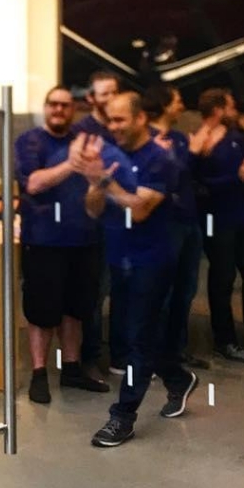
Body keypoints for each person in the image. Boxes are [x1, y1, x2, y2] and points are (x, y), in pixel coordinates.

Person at [72, 92, 197, 449]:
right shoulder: (112, 156)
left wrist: (106, 182)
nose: (114, 128)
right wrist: (96, 182)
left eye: (120, 120)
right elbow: (94, 209)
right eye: (110, 121)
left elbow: (140, 209)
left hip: (152, 260)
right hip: (118, 256)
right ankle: (177, 377)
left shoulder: (162, 159)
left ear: (141, 118)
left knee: (136, 339)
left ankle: (122, 415)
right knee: (133, 334)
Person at [16, 86, 111, 405]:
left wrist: (97, 180)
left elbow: (97, 196)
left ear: (74, 110)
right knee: (42, 311)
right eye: (53, 104)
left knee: (76, 310)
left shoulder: (87, 144)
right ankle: (39, 373)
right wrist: (71, 164)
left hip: (84, 240)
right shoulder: (29, 141)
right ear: (45, 108)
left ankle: (71, 369)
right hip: (43, 241)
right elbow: (33, 183)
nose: (59, 110)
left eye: (65, 105)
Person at [190, 89, 244, 360]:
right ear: (219, 109)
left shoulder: (235, 138)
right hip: (217, 219)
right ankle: (225, 339)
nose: (235, 110)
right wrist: (237, 177)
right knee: (222, 277)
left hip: (243, 216)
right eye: (230, 105)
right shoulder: (202, 141)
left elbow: (243, 171)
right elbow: (199, 185)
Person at [143, 84, 208, 370]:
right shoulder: (147, 139)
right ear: (164, 104)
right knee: (163, 292)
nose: (182, 104)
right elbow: (170, 173)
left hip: (188, 220)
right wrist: (191, 154)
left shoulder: (179, 137)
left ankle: (176, 350)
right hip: (165, 223)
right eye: (178, 99)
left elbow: (188, 173)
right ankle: (156, 354)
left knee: (186, 289)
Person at [72, 71, 121, 371]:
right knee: (95, 292)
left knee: (121, 291)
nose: (110, 99)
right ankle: (90, 355)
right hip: (93, 224)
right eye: (104, 93)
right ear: (91, 98)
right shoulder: (83, 130)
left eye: (114, 92)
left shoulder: (120, 126)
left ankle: (118, 354)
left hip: (122, 220)